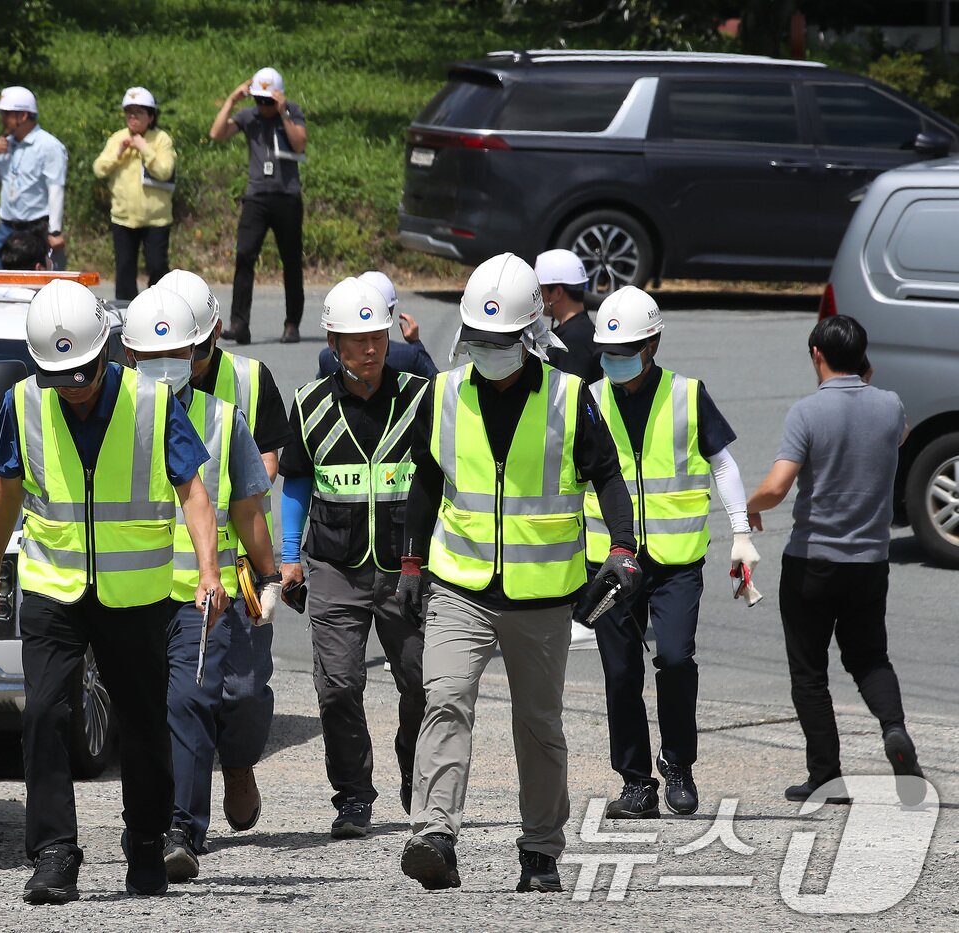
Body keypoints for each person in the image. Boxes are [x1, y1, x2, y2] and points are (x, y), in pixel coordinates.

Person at [0, 279, 227, 904]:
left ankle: (144, 846)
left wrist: (210, 571)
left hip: (135, 594)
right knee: (45, 715)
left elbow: (192, 487)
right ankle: (55, 853)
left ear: (107, 351)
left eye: (84, 374)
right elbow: (4, 491)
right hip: (53, 589)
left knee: (142, 724)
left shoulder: (151, 400)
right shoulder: (23, 402)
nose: (75, 389)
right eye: (62, 378)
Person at [398, 253, 641, 894]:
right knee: (444, 702)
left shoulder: (569, 397)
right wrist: (411, 561)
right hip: (459, 585)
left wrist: (623, 549)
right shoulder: (445, 393)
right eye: (480, 341)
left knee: (538, 726)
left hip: (542, 597)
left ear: (530, 333)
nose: (490, 352)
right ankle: (434, 836)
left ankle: (540, 852)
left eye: (502, 342)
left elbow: (609, 476)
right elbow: (425, 481)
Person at [118, 286, 282, 883]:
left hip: (206, 593)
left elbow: (247, 508)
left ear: (198, 352)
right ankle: (164, 824)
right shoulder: (112, 413)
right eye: (149, 355)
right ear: (128, 355)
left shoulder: (222, 418)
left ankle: (205, 801)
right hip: (129, 591)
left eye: (178, 352)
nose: (164, 366)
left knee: (214, 699)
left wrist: (268, 575)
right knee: (162, 709)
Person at [584, 286, 758, 819]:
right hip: (609, 559)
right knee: (619, 673)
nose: (616, 362)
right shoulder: (587, 400)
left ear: (653, 344)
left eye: (627, 351)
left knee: (676, 660)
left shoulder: (687, 394)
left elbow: (722, 464)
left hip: (677, 558)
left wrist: (741, 532)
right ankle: (636, 782)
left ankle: (678, 764)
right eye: (607, 353)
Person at [746, 315, 925, 804]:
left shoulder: (807, 413)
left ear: (816, 355)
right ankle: (893, 729)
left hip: (812, 562)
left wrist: (748, 508)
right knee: (870, 657)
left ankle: (827, 775)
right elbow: (898, 437)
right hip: (870, 562)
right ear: (864, 359)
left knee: (809, 672)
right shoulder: (890, 407)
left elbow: (778, 487)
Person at [278, 276, 430, 839]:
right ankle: (353, 796)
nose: (369, 348)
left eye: (377, 335)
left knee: (420, 684)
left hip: (407, 571)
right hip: (335, 568)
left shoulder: (420, 399)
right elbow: (295, 484)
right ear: (333, 341)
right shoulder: (310, 404)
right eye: (355, 338)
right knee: (338, 686)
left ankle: (416, 770)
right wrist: (290, 556)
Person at [156, 268, 291, 831]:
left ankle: (237, 765)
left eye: (204, 349)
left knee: (243, 691)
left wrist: (268, 571)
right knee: (181, 697)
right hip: (158, 570)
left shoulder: (250, 381)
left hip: (234, 566)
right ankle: (178, 819)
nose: (196, 361)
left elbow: (263, 469)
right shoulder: (141, 388)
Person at [208, 67, 307, 345]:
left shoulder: (292, 112)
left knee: (291, 260)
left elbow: (299, 145)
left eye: (268, 101)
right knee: (244, 255)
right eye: (259, 100)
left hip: (287, 196)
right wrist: (231, 100)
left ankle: (292, 324)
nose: (262, 107)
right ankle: (240, 323)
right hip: (256, 197)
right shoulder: (248, 116)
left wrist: (284, 111)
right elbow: (216, 134)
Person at [93, 87, 176, 300]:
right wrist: (118, 154)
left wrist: (144, 147)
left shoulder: (161, 139)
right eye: (129, 112)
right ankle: (126, 318)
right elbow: (99, 168)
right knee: (124, 271)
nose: (132, 117)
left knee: (158, 268)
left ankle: (161, 312)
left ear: (151, 116)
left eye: (138, 112)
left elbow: (165, 171)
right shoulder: (117, 138)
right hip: (123, 218)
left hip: (155, 219)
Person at [0, 86, 68, 271]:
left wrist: (55, 231)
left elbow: (56, 189)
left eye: (7, 114)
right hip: (6, 226)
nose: (2, 119)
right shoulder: (4, 144)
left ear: (23, 116)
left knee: (42, 285)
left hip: (36, 227)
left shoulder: (49, 146)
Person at [317, 271, 438, 380]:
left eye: (377, 338)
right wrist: (415, 342)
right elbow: (437, 386)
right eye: (359, 340)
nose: (371, 350)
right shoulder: (409, 355)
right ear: (389, 313)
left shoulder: (326, 358)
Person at [535, 249, 601, 383]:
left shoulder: (573, 340)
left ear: (557, 293)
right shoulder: (580, 330)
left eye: (541, 290)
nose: (538, 296)